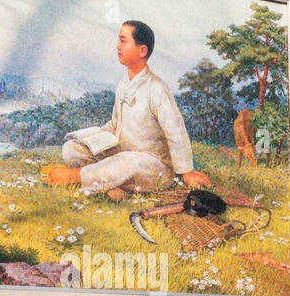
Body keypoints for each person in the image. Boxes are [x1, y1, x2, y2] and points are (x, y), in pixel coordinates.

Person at [41, 20, 212, 200]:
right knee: (71, 149)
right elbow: (115, 123)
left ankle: (75, 177)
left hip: (151, 165)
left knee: (128, 162)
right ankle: (113, 183)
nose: (118, 47)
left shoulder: (157, 88)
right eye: (119, 41)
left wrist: (187, 171)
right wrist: (94, 137)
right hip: (121, 152)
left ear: (142, 50)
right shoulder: (123, 84)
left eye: (123, 41)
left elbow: (176, 132)